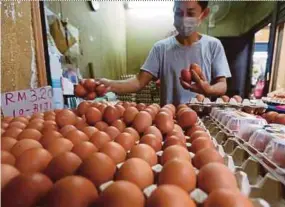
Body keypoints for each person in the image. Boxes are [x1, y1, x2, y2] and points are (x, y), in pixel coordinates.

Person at [99, 0, 231, 106]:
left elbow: (222, 85)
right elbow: (139, 82)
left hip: (203, 122)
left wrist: (209, 89)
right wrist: (108, 84)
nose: (184, 19)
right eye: (179, 13)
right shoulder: (161, 48)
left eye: (190, 13)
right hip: (169, 119)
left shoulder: (213, 46)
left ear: (204, 13)